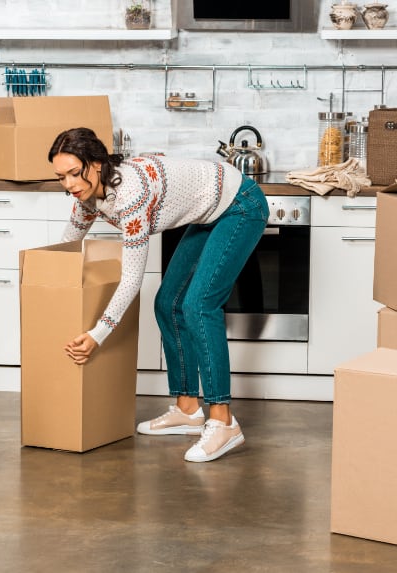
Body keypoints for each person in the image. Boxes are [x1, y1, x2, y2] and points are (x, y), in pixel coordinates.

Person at [48, 127, 268, 463]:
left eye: (75, 174)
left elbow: (132, 278)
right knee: (168, 304)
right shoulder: (87, 197)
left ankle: (223, 422)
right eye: (61, 177)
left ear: (96, 163)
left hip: (240, 204)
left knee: (198, 306)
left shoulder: (129, 195)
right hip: (209, 212)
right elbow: (66, 246)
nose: (69, 185)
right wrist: (43, 282)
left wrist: (97, 334)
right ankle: (188, 409)